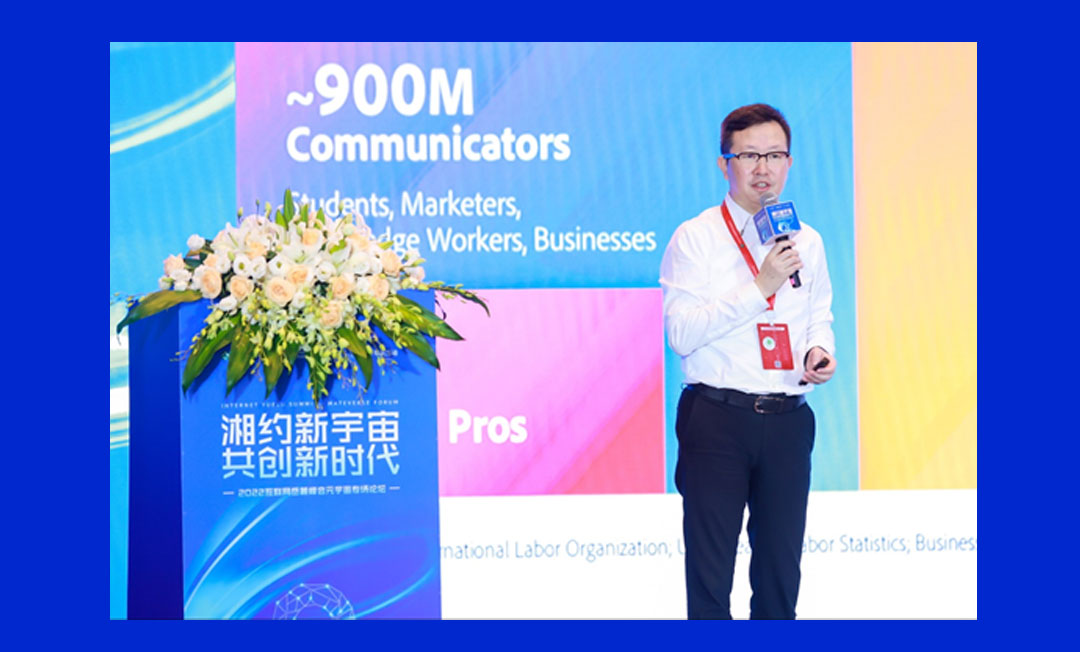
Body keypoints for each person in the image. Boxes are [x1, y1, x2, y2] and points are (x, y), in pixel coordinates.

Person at [659, 103, 837, 619]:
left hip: (788, 420)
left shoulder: (807, 240)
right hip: (717, 418)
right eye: (749, 156)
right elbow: (681, 334)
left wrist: (818, 352)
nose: (764, 168)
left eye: (775, 155)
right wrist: (760, 287)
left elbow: (818, 316)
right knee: (710, 576)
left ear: (789, 163)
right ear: (725, 164)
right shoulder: (696, 237)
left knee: (781, 575)